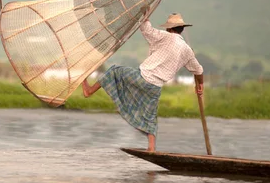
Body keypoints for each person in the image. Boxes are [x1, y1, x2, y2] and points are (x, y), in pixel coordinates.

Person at [82, 8, 204, 152]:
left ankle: (89, 91)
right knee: (150, 117)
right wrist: (200, 85)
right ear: (181, 29)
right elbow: (199, 70)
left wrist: (144, 13)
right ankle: (151, 148)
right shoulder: (187, 50)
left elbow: (146, 29)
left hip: (142, 77)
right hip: (155, 87)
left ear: (170, 29)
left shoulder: (165, 36)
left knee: (114, 71)